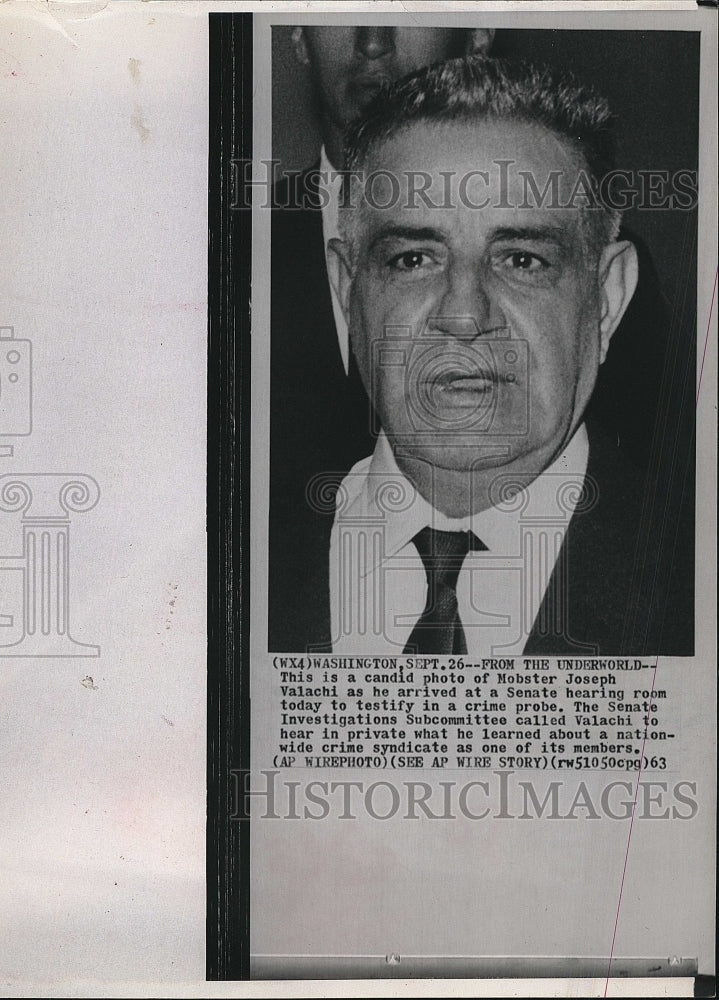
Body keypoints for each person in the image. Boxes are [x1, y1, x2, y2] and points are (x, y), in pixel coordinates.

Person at [311, 56, 692, 656]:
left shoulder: (695, 580)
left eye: (522, 260)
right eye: (413, 258)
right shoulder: (223, 561)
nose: (464, 315)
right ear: (345, 289)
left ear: (608, 298)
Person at [268, 27, 494, 650]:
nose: (373, 39)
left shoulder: (576, 279)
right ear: (297, 34)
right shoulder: (218, 255)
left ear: (478, 31)